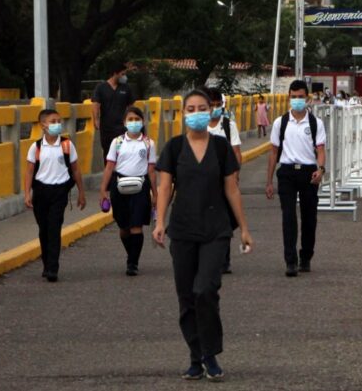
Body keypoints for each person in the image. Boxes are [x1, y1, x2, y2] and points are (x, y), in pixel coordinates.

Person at [153, 89, 253, 382]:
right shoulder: (173, 148)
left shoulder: (221, 148)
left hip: (216, 230)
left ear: (211, 110)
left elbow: (231, 189)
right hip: (183, 231)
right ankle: (196, 357)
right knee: (186, 297)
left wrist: (244, 228)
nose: (197, 112)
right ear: (183, 114)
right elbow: (164, 188)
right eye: (191, 108)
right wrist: (160, 222)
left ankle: (210, 354)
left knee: (205, 290)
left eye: (202, 107)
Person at [265, 80, 326, 277]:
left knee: (309, 217)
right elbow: (273, 153)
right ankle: (290, 261)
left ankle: (306, 256)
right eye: (294, 97)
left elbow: (321, 150)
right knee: (288, 217)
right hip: (287, 174)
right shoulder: (280, 123)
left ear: (307, 98)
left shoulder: (316, 123)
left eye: (301, 97)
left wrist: (321, 169)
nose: (297, 101)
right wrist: (268, 182)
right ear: (289, 98)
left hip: (308, 173)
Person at [23, 109, 86, 282]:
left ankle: (53, 268)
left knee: (54, 227)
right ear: (43, 125)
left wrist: (81, 192)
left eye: (59, 121)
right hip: (41, 191)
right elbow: (29, 172)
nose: (58, 124)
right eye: (53, 121)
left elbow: (75, 170)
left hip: (60, 191)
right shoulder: (35, 147)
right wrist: (27, 193)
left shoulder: (67, 145)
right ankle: (46, 263)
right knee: (44, 229)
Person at [99, 106, 157, 276]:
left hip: (141, 187)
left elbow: (152, 171)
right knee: (124, 227)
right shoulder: (117, 142)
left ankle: (133, 263)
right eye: (130, 120)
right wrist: (103, 190)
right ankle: (131, 254)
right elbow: (109, 167)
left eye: (137, 119)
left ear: (143, 122)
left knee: (136, 226)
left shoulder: (148, 143)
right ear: (124, 123)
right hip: (119, 187)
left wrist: (156, 194)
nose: (134, 123)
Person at [204, 86, 242, 275]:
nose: (215, 108)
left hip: (225, 179)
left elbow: (236, 152)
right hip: (205, 182)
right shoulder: (199, 126)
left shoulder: (228, 125)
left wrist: (235, 176)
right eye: (212, 105)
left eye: (219, 105)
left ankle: (224, 259)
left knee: (224, 221)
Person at [93, 62, 134, 157]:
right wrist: (96, 119)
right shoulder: (101, 88)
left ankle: (119, 171)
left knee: (120, 152)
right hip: (106, 128)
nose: (125, 77)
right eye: (122, 74)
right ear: (115, 73)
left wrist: (130, 121)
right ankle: (109, 171)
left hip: (121, 128)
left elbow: (131, 107)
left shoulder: (126, 88)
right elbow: (96, 104)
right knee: (108, 153)